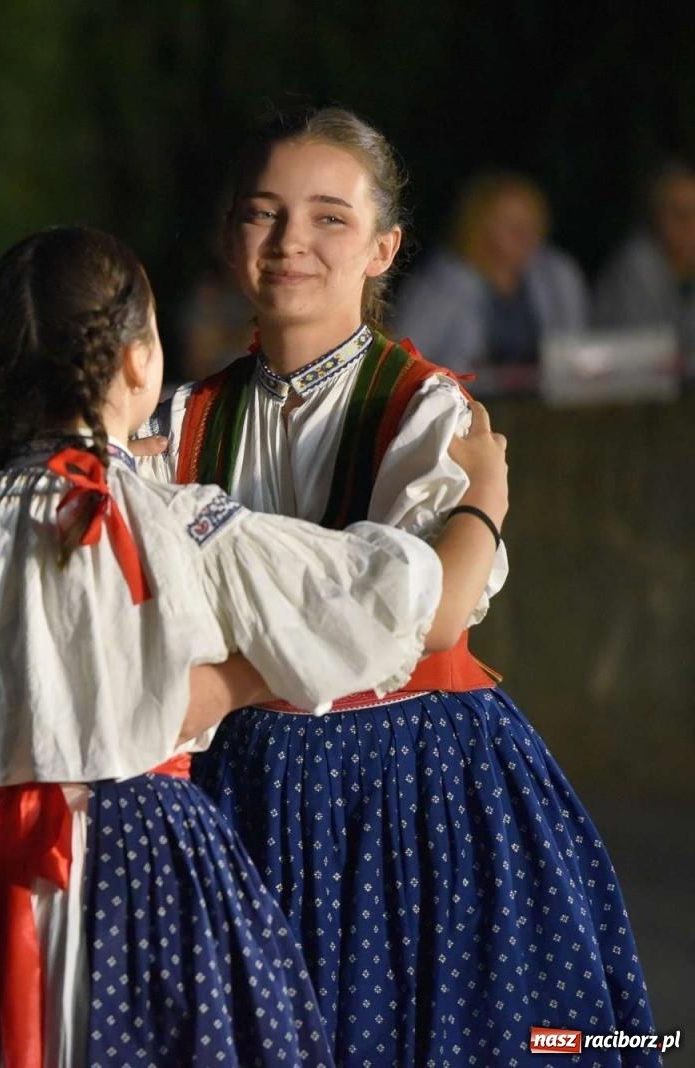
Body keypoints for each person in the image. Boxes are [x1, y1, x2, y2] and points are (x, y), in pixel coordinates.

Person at [0, 225, 513, 1067]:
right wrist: (480, 503)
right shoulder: (177, 521)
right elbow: (386, 603)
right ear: (138, 364)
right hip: (146, 863)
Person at [145, 106, 659, 1066]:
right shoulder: (178, 421)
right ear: (230, 238)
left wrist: (221, 680)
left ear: (385, 248)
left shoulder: (429, 410)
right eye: (264, 213)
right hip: (239, 793)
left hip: (413, 793)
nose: (293, 240)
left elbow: (422, 618)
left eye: (330, 217)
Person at [393, 171, 588, 371]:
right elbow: (403, 358)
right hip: (463, 397)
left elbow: (577, 351)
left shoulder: (557, 276)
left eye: (532, 222)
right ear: (478, 227)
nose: (525, 235)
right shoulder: (440, 285)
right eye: (511, 225)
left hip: (543, 400)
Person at [594, 159, 695, 354]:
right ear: (655, 215)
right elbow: (644, 354)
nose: (690, 225)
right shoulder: (635, 266)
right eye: (679, 213)